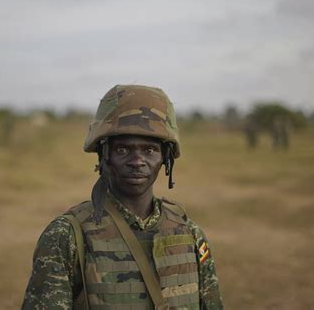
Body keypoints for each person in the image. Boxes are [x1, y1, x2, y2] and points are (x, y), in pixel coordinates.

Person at [22, 85, 223, 309]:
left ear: (165, 158)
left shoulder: (189, 233)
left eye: (149, 151)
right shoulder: (67, 236)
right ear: (104, 155)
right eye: (122, 150)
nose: (137, 161)